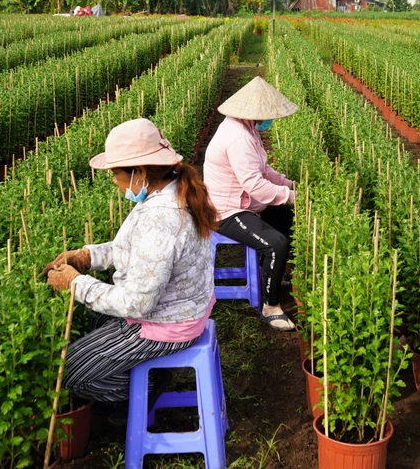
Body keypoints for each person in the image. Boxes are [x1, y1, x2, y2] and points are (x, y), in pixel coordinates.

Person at [43, 118, 217, 404]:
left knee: (70, 373)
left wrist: (75, 284)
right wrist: (88, 257)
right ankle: (144, 373)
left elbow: (137, 303)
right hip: (180, 309)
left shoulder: (162, 218)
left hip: (163, 325)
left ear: (140, 172)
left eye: (116, 172)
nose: (113, 180)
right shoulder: (168, 192)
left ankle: (146, 390)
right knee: (96, 317)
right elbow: (136, 249)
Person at [203, 76, 299, 332]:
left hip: (244, 204)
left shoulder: (246, 129)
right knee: (276, 243)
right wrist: (290, 197)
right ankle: (271, 305)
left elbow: (263, 170)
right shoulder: (239, 138)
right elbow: (256, 186)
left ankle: (269, 276)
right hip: (226, 212)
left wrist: (290, 184)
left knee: (290, 222)